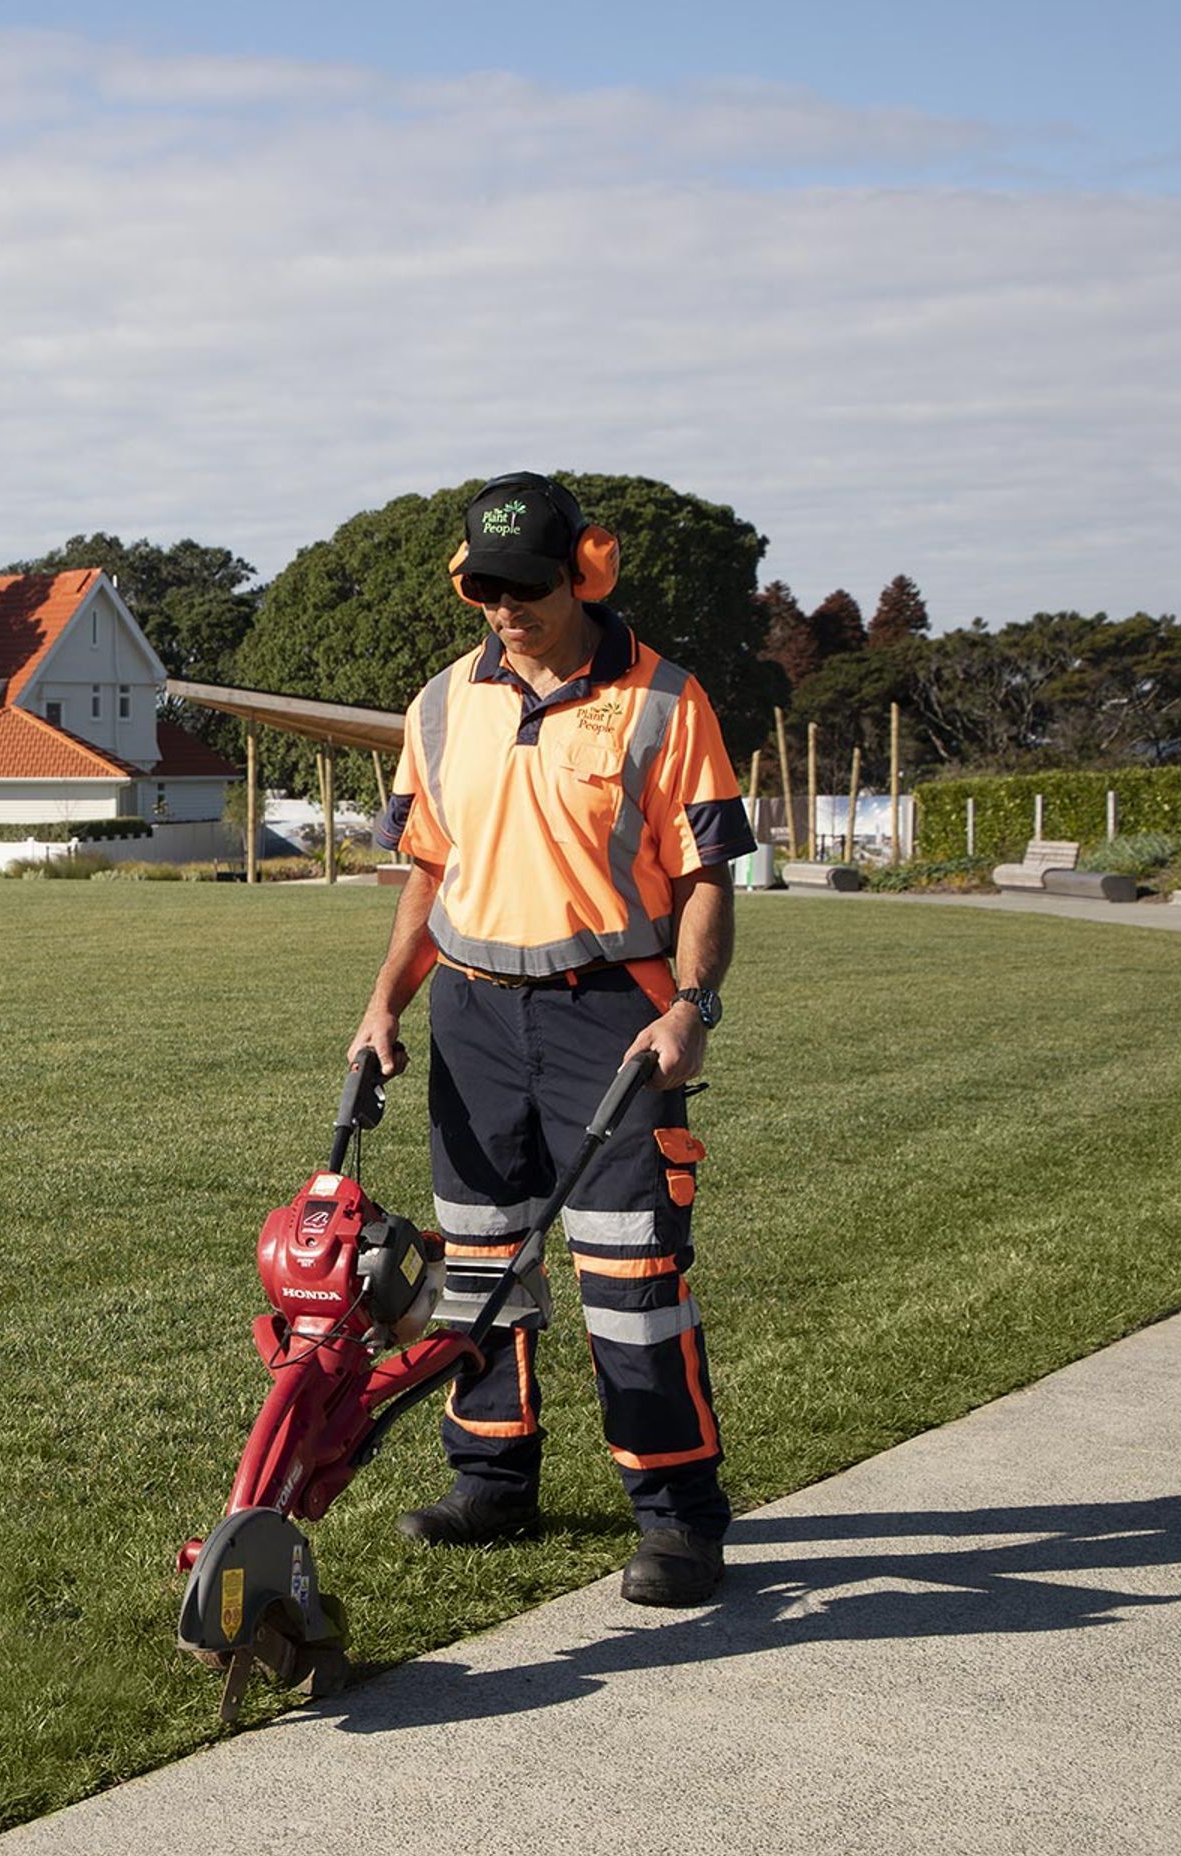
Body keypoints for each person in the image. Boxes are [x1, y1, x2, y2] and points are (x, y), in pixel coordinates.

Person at [347, 472, 756, 1607]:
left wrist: (690, 1004)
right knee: (478, 1261)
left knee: (633, 1277)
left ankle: (678, 1519)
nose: (506, 608)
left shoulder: (668, 703)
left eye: (527, 586)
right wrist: (386, 997)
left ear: (586, 568)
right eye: (485, 588)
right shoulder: (439, 707)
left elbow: (708, 875)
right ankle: (491, 1479)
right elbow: (429, 871)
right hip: (473, 1017)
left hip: (612, 1020)